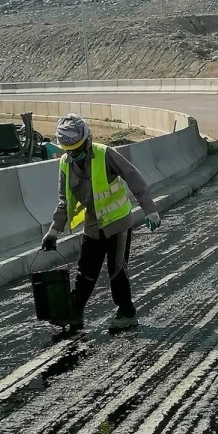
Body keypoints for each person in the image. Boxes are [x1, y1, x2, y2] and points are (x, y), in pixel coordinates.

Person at [41, 113, 161, 332]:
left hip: (117, 222)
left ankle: (127, 313)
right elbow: (64, 201)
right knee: (85, 271)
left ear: (87, 140)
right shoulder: (66, 164)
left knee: (116, 270)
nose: (73, 154)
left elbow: (133, 177)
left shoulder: (104, 154)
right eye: (69, 151)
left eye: (76, 149)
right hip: (93, 225)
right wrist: (53, 232)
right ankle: (74, 314)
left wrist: (149, 209)